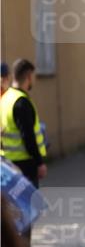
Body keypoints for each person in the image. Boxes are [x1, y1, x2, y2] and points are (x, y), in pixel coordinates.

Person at [0, 60, 47, 189]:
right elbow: (28, 136)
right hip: (25, 165)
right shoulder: (21, 102)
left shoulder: (5, 99)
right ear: (29, 76)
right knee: (29, 205)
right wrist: (39, 163)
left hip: (8, 165)